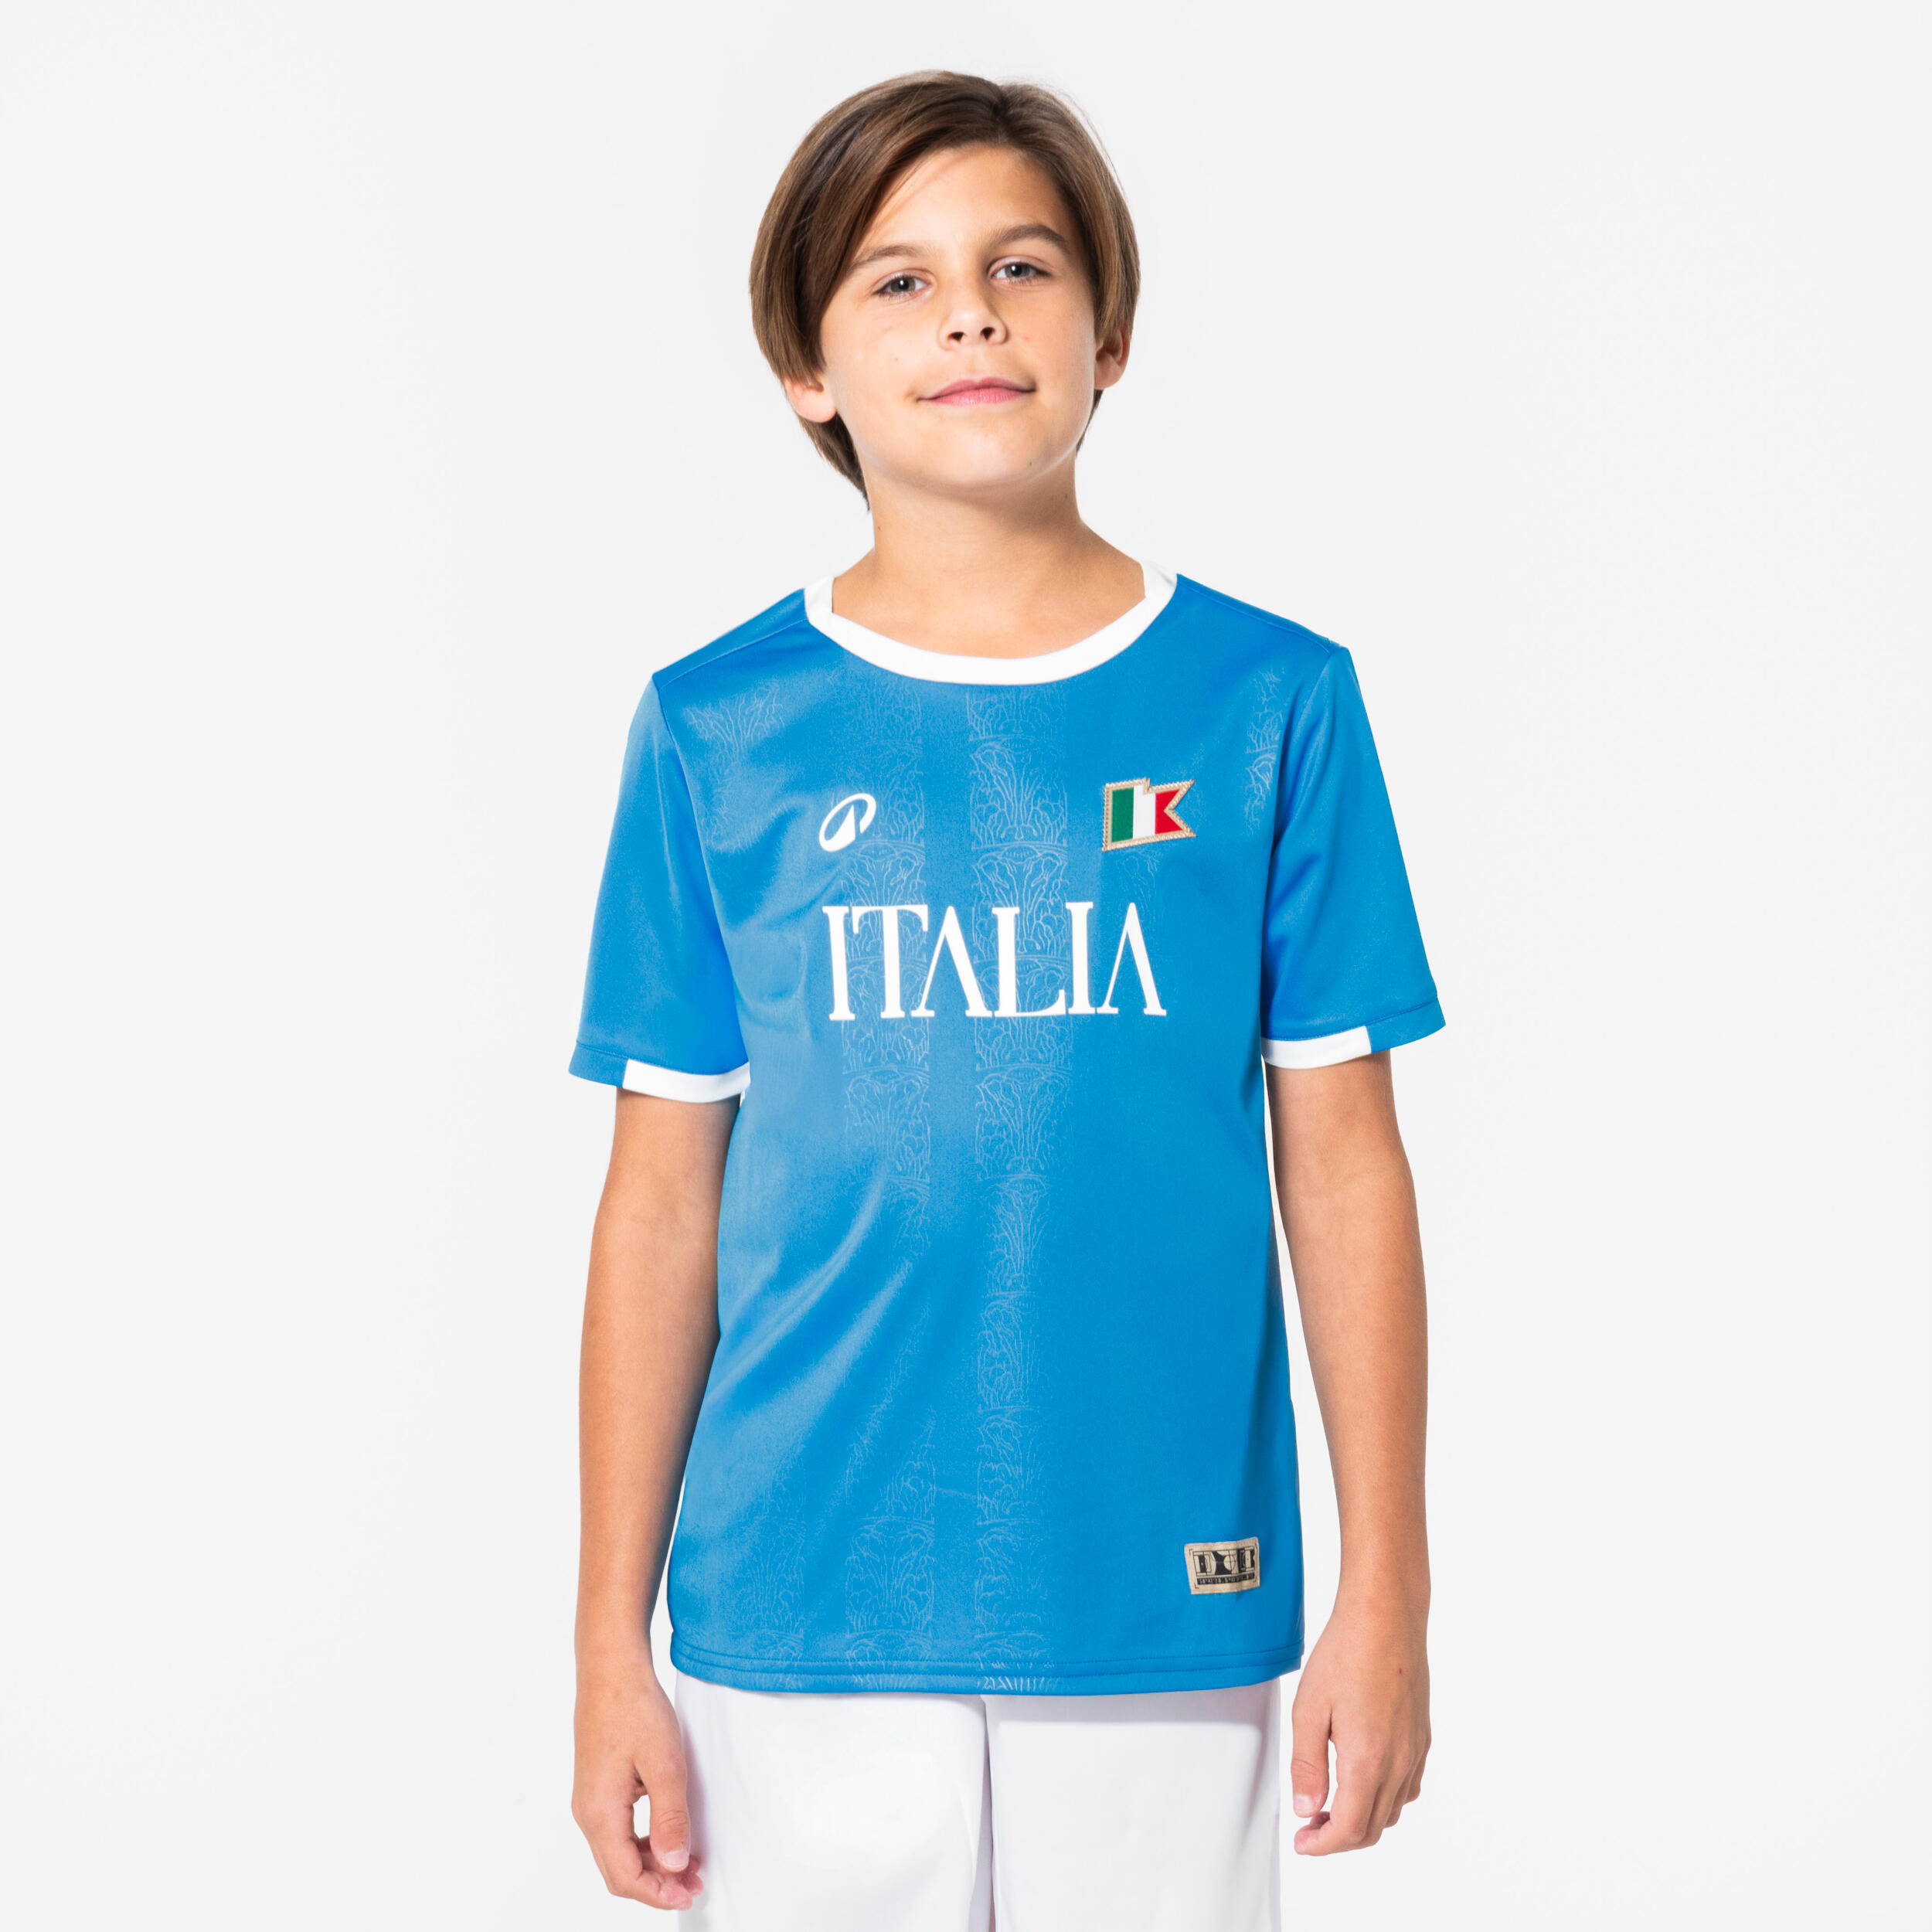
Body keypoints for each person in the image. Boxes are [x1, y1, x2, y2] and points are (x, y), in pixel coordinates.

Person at [567, 70, 1440, 1930]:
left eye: (1019, 266)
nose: (968, 315)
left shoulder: (1265, 703)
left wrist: (1389, 1586)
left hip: (1159, 1589)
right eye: (897, 281)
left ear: (1106, 336)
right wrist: (602, 1639)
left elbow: (1343, 1164)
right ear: (804, 368)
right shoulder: (718, 726)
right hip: (797, 1602)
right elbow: (658, 1204)